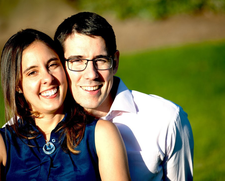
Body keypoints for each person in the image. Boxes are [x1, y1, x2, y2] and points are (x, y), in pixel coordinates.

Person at [54, 12, 194, 181]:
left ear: (115, 62)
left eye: (100, 60)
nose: (91, 74)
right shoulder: (36, 126)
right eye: (77, 61)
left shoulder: (167, 120)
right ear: (60, 66)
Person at [0, 29, 131, 181]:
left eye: (52, 65)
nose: (48, 78)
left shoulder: (101, 134)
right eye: (32, 72)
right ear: (17, 85)